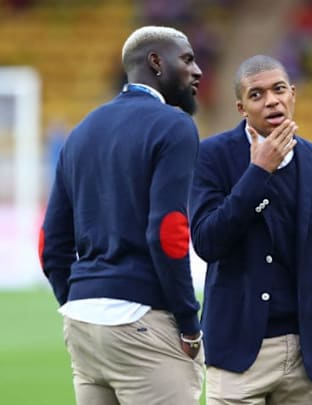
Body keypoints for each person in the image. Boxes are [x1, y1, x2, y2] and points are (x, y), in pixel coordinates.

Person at [38, 26, 204, 404]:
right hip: (142, 321)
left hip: (83, 320)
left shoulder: (80, 132)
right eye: (188, 60)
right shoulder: (175, 126)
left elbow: (50, 242)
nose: (198, 72)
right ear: (156, 63)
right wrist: (189, 324)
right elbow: (168, 232)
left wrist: (79, 298)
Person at [189, 54, 312, 405]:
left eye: (279, 89)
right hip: (237, 354)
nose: (271, 100)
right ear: (241, 108)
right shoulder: (212, 156)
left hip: (306, 355)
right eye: (257, 95)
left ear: (293, 95)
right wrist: (258, 173)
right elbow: (207, 242)